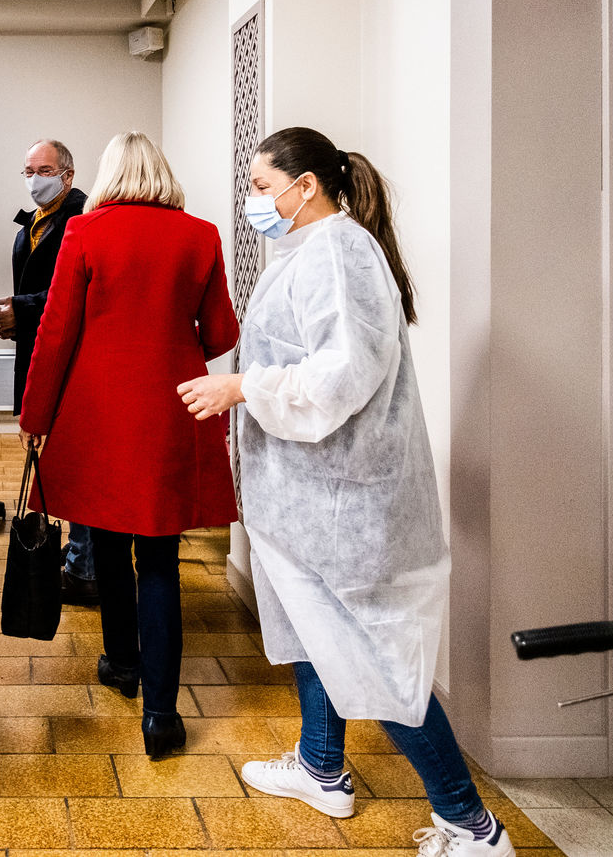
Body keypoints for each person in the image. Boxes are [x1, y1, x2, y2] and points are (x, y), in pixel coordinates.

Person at [178, 126, 512, 857]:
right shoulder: (310, 251)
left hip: (346, 508)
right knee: (315, 631)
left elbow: (342, 376)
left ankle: (472, 825)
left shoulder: (337, 252)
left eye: (263, 187)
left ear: (307, 186)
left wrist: (243, 386)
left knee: (378, 663)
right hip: (309, 500)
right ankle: (321, 766)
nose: (254, 201)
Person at [18, 131, 239, 758]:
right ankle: (162, 717)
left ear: (110, 174)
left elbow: (56, 333)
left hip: (98, 414)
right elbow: (221, 333)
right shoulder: (201, 235)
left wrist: (35, 415)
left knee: (111, 547)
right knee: (160, 560)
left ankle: (121, 662)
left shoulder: (85, 232)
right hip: (172, 410)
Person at [0, 138, 98, 605]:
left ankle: (85, 567)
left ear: (68, 175)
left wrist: (22, 308)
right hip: (40, 349)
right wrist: (14, 320)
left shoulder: (82, 220)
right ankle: (81, 556)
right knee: (60, 464)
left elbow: (75, 292)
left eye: (45, 171)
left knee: (75, 465)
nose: (35, 179)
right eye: (29, 171)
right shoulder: (31, 224)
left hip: (72, 359)